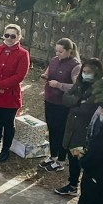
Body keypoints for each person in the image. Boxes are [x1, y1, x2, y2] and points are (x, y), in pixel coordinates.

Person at [0, 23, 31, 162]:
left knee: (8, 124)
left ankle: (5, 149)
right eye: (7, 35)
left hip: (9, 96)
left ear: (19, 37)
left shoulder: (23, 54)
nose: (9, 38)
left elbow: (20, 75)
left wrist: (1, 85)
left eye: (13, 36)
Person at [55, 59, 103, 196]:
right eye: (84, 71)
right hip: (72, 127)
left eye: (89, 72)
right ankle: (72, 185)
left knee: (80, 159)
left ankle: (81, 188)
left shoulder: (98, 89)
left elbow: (87, 110)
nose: (85, 74)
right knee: (72, 157)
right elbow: (66, 98)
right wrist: (77, 101)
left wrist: (74, 107)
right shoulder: (79, 83)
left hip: (84, 130)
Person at [39, 38, 81, 173]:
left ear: (69, 51)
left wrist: (59, 85)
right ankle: (53, 156)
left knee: (61, 131)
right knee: (51, 128)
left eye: (61, 52)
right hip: (50, 100)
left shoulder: (75, 66)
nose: (57, 54)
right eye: (56, 51)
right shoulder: (54, 60)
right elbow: (48, 73)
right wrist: (45, 76)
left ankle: (61, 160)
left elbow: (77, 87)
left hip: (63, 104)